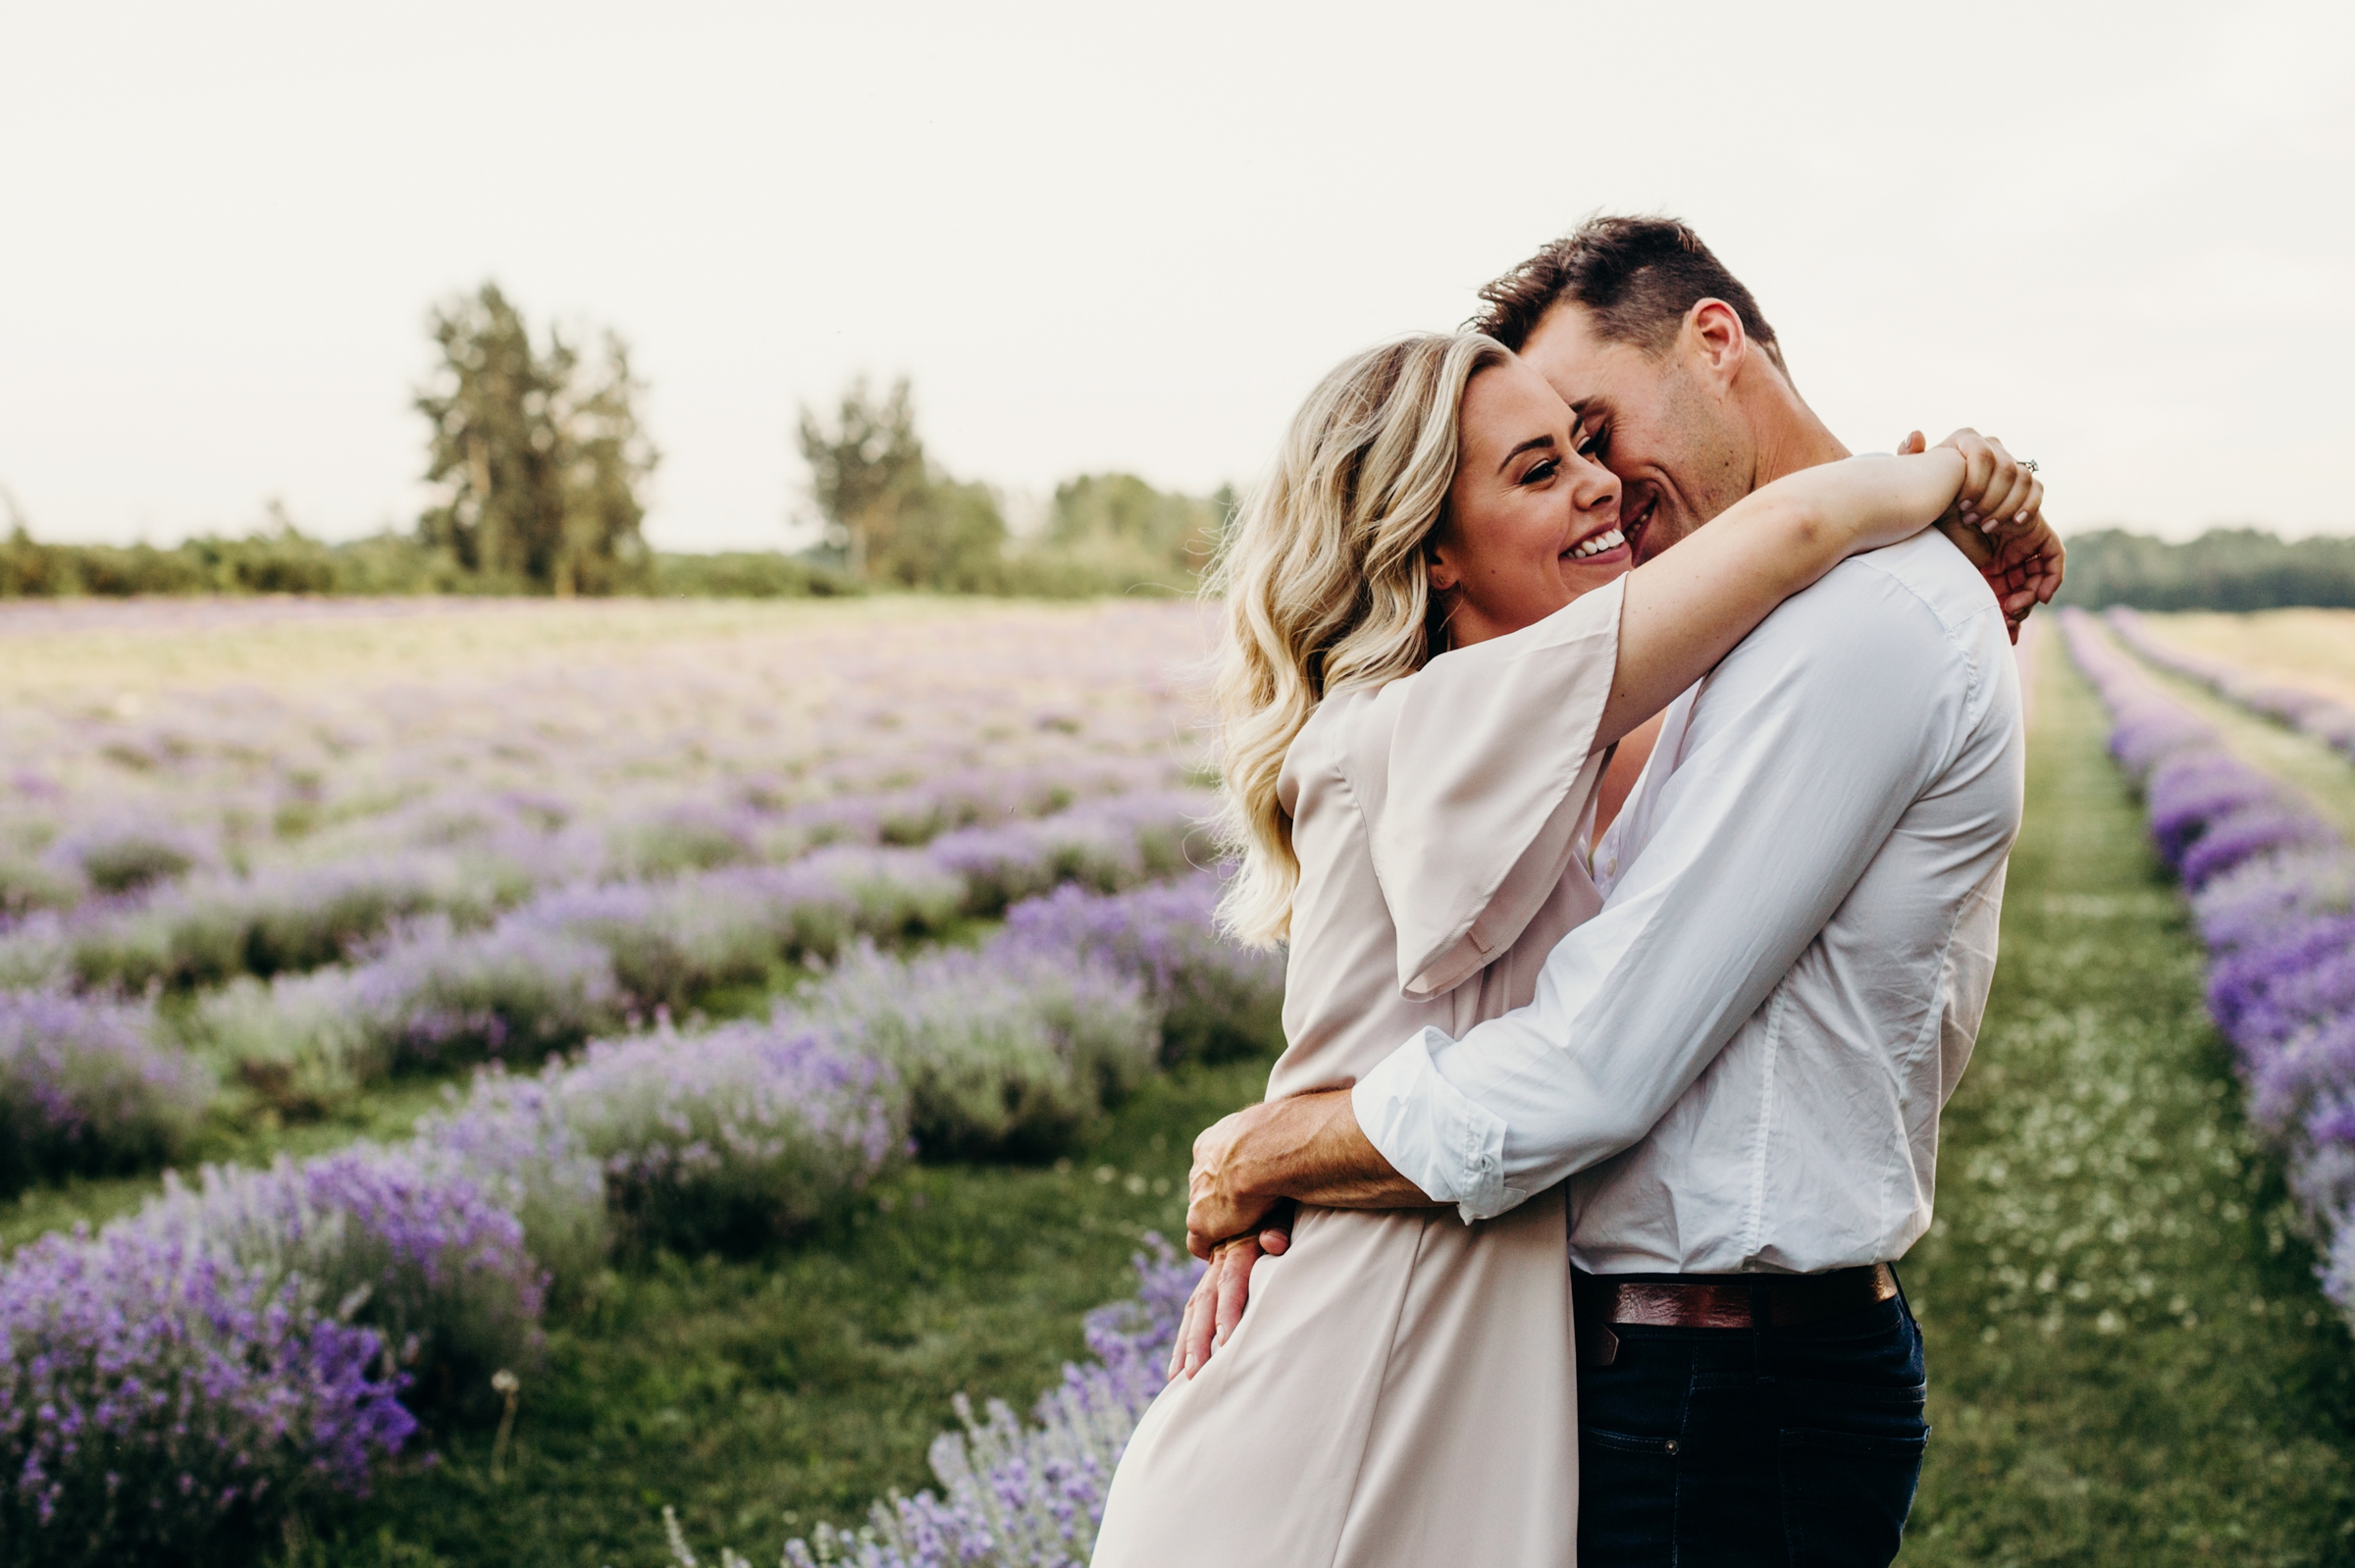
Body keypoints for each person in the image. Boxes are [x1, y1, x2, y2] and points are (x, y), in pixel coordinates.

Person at [1089, 294, 2057, 1563]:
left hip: (1494, 1364)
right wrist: (1937, 477)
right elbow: (1805, 522)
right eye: (1546, 462)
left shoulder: (1584, 723)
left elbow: (1818, 727)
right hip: (1368, 1369)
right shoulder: (1448, 720)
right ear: (1430, 547)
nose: (1599, 487)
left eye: (1592, 440)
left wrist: (1273, 1150)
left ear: (1713, 340)